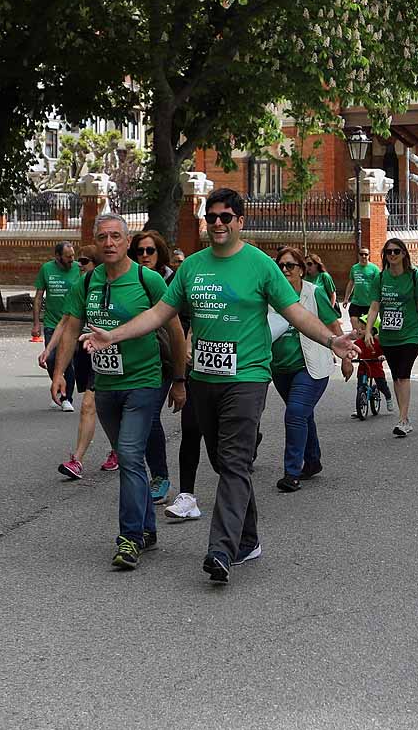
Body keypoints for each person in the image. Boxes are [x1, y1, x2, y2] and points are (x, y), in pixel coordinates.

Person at [79, 189, 357, 584]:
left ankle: (221, 551)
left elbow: (293, 311)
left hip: (247, 378)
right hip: (204, 380)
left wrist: (333, 340)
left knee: (236, 460)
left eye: (227, 216)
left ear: (241, 221)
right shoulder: (193, 267)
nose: (219, 223)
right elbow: (160, 313)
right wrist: (114, 336)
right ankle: (248, 539)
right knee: (228, 464)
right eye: (213, 216)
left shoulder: (260, 265)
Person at [50, 214, 187, 571]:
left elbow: (173, 328)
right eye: (102, 237)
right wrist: (60, 372)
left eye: (116, 237)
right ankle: (147, 526)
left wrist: (178, 377)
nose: (109, 243)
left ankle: (129, 538)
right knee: (130, 458)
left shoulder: (149, 280)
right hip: (105, 385)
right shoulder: (87, 282)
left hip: (144, 382)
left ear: (127, 242)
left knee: (127, 453)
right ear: (95, 243)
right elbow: (71, 327)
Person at [268, 247, 346, 492]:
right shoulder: (269, 296)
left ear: (302, 270)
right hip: (280, 369)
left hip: (312, 367)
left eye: (290, 266)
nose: (284, 270)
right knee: (303, 414)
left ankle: (292, 473)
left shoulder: (314, 293)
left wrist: (344, 356)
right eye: (280, 266)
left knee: (295, 413)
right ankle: (312, 461)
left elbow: (333, 323)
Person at [42, 245, 116, 480]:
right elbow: (65, 323)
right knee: (89, 405)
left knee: (104, 406)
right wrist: (49, 350)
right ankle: (78, 460)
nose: (79, 265)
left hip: (116, 352)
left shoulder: (117, 284)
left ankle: (117, 450)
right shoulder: (80, 286)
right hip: (89, 354)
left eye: (84, 261)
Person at [128, 230, 180, 505]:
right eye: (140, 251)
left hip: (163, 360)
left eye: (150, 251)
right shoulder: (130, 280)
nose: (145, 256)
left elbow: (185, 324)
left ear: (160, 253)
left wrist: (181, 376)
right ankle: (137, 471)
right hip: (132, 358)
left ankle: (160, 475)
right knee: (139, 417)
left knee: (148, 417)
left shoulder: (172, 282)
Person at [364, 237, 418, 436]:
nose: (392, 255)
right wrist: (368, 330)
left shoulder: (414, 275)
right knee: (396, 376)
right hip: (388, 336)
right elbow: (375, 306)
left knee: (404, 374)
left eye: (396, 251)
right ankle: (403, 418)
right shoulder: (381, 277)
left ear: (404, 254)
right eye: (389, 252)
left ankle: (403, 419)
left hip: (410, 333)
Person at [33, 242, 81, 411]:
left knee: (67, 361)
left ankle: (67, 397)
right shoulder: (46, 269)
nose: (72, 260)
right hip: (52, 323)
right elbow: (39, 297)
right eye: (68, 257)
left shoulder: (78, 269)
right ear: (58, 257)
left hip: (71, 323)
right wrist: (36, 323)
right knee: (51, 359)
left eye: (73, 256)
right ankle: (57, 384)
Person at [352, 315, 393, 416]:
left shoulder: (378, 343)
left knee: (382, 385)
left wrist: (382, 356)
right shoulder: (358, 342)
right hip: (363, 368)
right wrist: (351, 356)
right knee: (360, 387)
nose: (359, 331)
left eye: (362, 328)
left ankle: (388, 398)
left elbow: (385, 352)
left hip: (376, 368)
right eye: (358, 328)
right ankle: (360, 407)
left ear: (373, 331)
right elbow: (353, 351)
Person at [343, 247, 380, 332]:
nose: (364, 256)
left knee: (369, 329)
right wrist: (346, 299)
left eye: (366, 254)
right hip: (356, 302)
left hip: (370, 303)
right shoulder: (354, 268)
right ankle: (359, 342)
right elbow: (351, 283)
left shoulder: (374, 268)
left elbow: (379, 284)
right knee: (355, 326)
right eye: (361, 254)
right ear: (358, 255)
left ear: (369, 256)